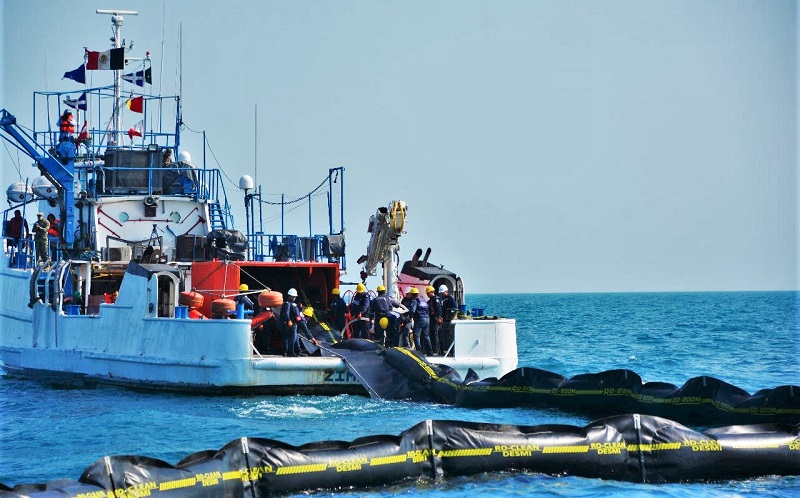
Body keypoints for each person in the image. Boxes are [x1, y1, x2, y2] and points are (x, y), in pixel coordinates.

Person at [279, 288, 303, 357]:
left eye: (295, 297)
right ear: (289, 296)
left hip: (293, 323)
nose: (294, 298)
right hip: (288, 324)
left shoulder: (293, 304)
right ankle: (289, 352)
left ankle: (295, 351)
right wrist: (289, 320)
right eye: (293, 296)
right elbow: (286, 313)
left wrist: (300, 308)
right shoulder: (287, 304)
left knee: (293, 337)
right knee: (290, 338)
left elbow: (296, 313)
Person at [409, 287, 432, 355]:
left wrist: (410, 316)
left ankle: (419, 352)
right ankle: (430, 352)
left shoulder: (415, 301)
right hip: (427, 318)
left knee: (416, 335)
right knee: (426, 336)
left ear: (412, 294)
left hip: (420, 319)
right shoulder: (423, 300)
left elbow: (412, 310)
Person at [438, 284, 458, 356]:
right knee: (443, 336)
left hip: (448, 321)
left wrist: (449, 314)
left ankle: (451, 351)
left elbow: (455, 308)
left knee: (449, 337)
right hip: (443, 320)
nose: (442, 294)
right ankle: (444, 350)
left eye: (442, 293)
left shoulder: (450, 298)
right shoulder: (441, 299)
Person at [427, 285, 443, 355]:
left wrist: (438, 318)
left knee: (435, 334)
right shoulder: (431, 300)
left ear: (431, 292)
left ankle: (437, 351)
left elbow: (439, 309)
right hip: (432, 318)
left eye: (428, 293)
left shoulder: (435, 299)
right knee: (433, 334)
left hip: (435, 319)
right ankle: (435, 350)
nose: (427, 295)